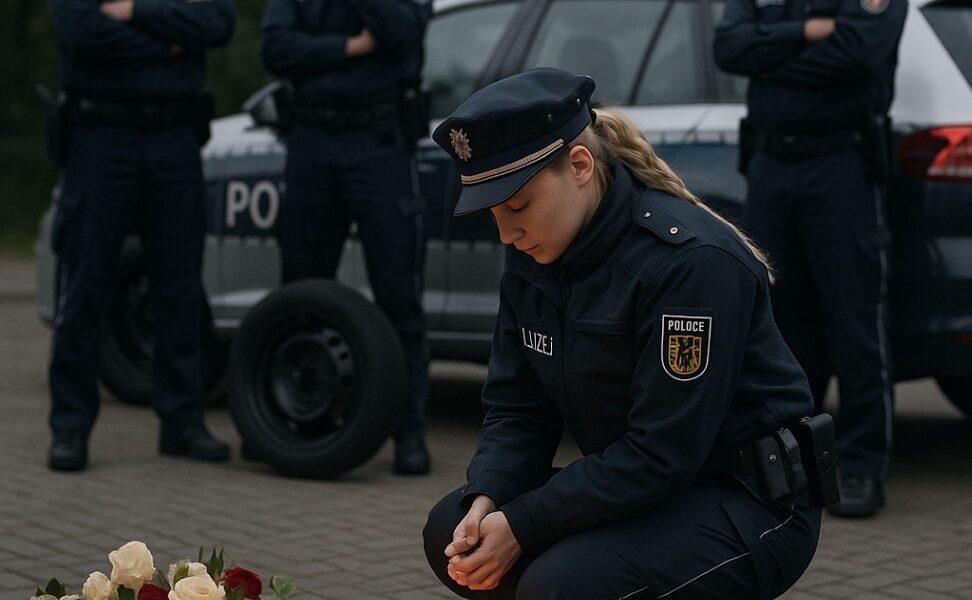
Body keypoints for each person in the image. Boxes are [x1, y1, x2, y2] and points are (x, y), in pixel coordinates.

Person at [422, 68, 828, 599]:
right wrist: (489, 497)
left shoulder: (688, 264)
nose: (506, 232)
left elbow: (662, 453)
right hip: (645, 488)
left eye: (518, 206)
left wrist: (524, 524)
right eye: (493, 213)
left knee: (563, 586)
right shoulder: (535, 255)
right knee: (450, 532)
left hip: (750, 501)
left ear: (580, 166)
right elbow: (518, 410)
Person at [713, 0, 906, 517]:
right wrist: (805, 32)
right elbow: (728, 49)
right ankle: (789, 459)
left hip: (840, 165)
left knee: (855, 322)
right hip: (770, 166)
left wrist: (769, 59)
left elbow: (859, 54)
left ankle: (863, 467)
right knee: (778, 321)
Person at [45, 0, 236, 471]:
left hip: (175, 136)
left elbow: (216, 23)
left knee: (180, 289)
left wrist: (133, 10)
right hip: (101, 135)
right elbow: (82, 31)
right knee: (85, 284)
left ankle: (182, 422)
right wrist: (170, 42)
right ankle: (70, 426)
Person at [260, 0, 433, 475]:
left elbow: (402, 32)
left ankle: (408, 431)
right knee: (300, 291)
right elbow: (276, 49)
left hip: (378, 141)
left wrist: (323, 51)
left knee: (398, 294)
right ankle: (289, 421)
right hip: (311, 140)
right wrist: (352, 46)